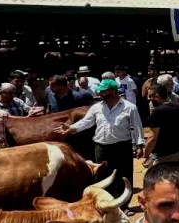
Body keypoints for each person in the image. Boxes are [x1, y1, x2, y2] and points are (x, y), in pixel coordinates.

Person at [58, 78, 145, 212]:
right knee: (103, 176)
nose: (101, 94)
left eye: (104, 92)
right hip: (101, 147)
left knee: (124, 176)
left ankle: (124, 206)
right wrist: (71, 129)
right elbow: (86, 122)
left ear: (113, 91)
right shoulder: (97, 107)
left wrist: (139, 144)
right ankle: (108, 205)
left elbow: (137, 126)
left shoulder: (130, 107)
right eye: (100, 92)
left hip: (122, 147)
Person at [145, 86, 179, 167]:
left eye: (150, 96)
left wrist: (146, 154)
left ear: (157, 96)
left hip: (164, 155)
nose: (149, 98)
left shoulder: (157, 112)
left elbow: (152, 138)